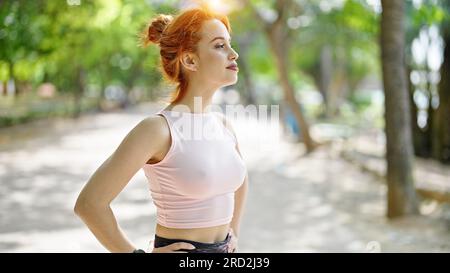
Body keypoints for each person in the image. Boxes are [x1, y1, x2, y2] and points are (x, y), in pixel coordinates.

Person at [74, 6, 249, 253]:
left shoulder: (223, 124)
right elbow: (89, 204)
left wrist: (235, 233)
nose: (234, 54)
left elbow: (240, 181)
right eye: (220, 46)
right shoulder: (158, 130)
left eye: (229, 44)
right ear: (190, 60)